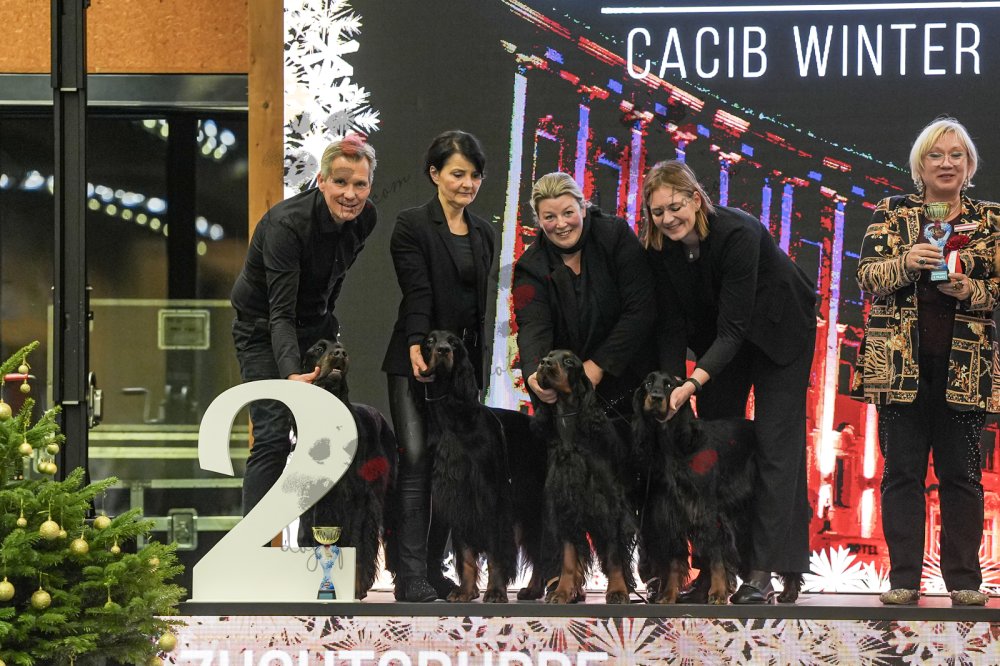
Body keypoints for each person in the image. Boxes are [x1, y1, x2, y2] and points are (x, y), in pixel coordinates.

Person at [641, 160, 816, 604]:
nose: (668, 219)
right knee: (710, 448)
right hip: (718, 340)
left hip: (778, 331)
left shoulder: (738, 232)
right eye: (658, 212)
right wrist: (672, 386)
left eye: (675, 207)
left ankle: (764, 571)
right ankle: (712, 569)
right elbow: (671, 325)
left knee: (776, 445)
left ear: (696, 198)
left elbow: (734, 329)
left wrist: (692, 384)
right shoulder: (659, 249)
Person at [854, 117, 1000, 607]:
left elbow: (998, 287)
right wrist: (906, 263)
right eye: (936, 155)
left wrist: (970, 288)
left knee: (962, 477)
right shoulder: (892, 212)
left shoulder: (992, 219)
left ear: (969, 165)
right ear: (920, 165)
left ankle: (964, 582)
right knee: (901, 474)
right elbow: (867, 276)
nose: (946, 163)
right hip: (898, 366)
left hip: (966, 367)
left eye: (956, 155)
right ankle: (903, 579)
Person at [230, 134, 377, 516]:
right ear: (321, 181)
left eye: (360, 184)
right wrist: (291, 375)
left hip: (314, 325)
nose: (350, 194)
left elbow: (335, 279)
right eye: (340, 182)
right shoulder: (286, 225)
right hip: (262, 328)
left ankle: (322, 541)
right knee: (273, 437)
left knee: (325, 436)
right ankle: (255, 545)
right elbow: (281, 313)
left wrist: (327, 327)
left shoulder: (366, 217)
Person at [381, 130, 496, 602]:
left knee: (453, 468)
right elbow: (418, 291)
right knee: (415, 461)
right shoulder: (411, 225)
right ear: (434, 174)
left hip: (462, 372)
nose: (468, 184)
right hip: (416, 358)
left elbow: (478, 309)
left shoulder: (484, 232)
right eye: (457, 174)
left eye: (475, 175)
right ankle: (408, 576)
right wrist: (417, 343)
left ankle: (433, 570)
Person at [513, 172, 655, 421]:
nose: (561, 224)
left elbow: (641, 309)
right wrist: (534, 374)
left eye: (568, 212)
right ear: (539, 220)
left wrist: (598, 365)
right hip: (572, 387)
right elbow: (533, 327)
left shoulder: (615, 235)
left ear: (583, 208)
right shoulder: (531, 266)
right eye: (549, 217)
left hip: (629, 370)